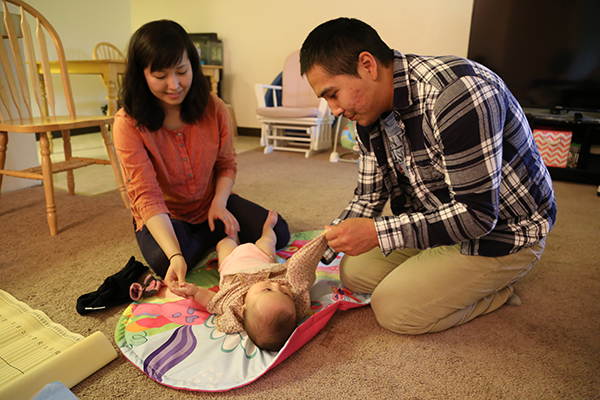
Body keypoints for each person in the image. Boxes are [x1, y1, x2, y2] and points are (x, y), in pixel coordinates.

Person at [299, 18, 557, 335]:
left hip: (504, 231)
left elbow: (477, 216)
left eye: (332, 94)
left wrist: (379, 233)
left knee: (394, 311)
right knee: (352, 272)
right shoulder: (368, 114)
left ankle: (496, 292)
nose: (334, 109)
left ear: (367, 65)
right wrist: (312, 255)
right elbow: (368, 196)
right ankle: (438, 275)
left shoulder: (457, 95)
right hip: (438, 219)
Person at [114, 20, 290, 297]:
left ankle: (214, 237)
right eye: (160, 76)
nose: (174, 85)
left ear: (192, 66)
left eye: (182, 72)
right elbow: (146, 196)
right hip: (165, 214)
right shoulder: (127, 123)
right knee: (165, 261)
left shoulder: (214, 107)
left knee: (279, 230)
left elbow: (226, 165)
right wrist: (174, 255)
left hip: (211, 203)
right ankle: (214, 239)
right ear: (141, 75)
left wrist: (220, 203)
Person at [176, 210, 328, 351]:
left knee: (223, 244)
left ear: (244, 307)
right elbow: (300, 268)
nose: (276, 285)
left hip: (231, 260)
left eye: (268, 290)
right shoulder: (290, 289)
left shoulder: (233, 306)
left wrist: (195, 292)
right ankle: (268, 227)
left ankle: (233, 235)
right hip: (262, 256)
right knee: (268, 240)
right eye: (285, 293)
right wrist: (322, 240)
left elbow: (211, 300)